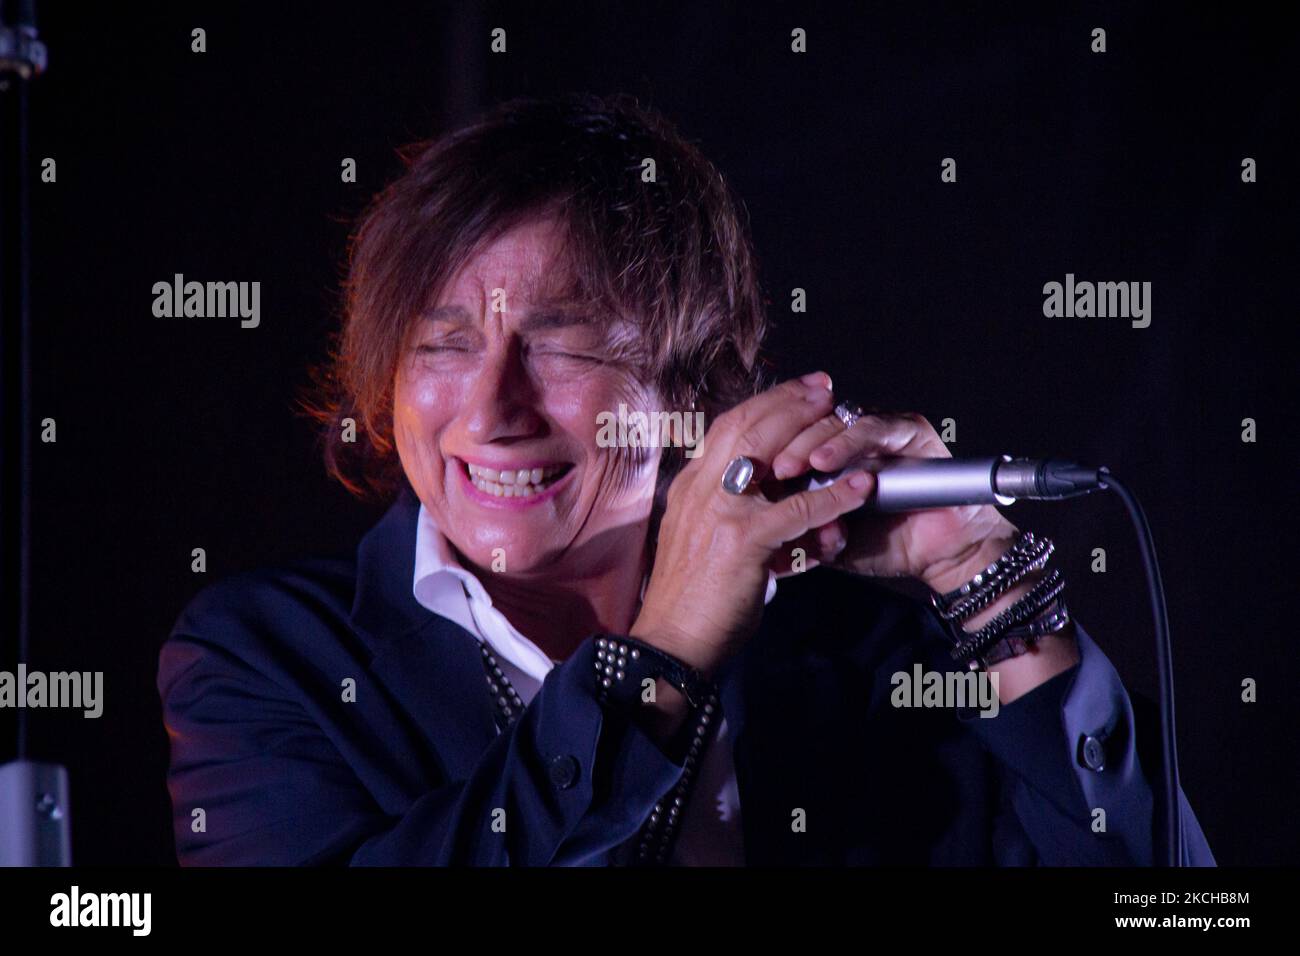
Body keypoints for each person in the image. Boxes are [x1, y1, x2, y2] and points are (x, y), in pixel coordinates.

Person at [157, 92, 1214, 866]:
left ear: (695, 385)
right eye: (438, 348)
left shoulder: (859, 653)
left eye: (560, 346)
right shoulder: (264, 658)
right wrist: (658, 660)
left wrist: (990, 585)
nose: (489, 409)